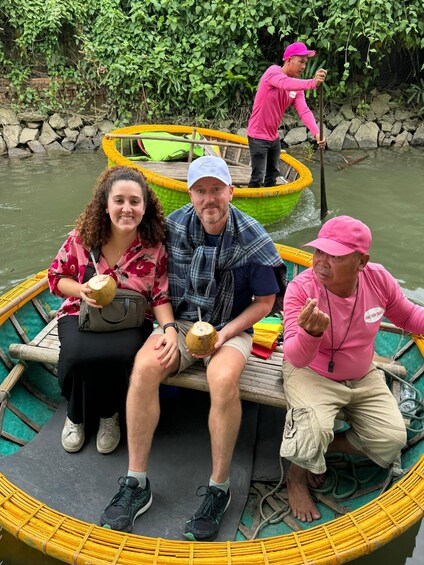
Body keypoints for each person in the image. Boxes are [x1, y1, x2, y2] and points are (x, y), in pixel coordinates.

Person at [100, 155, 287, 540]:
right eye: (200, 191)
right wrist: (167, 328)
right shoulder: (173, 227)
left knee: (222, 379)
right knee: (145, 367)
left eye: (216, 189)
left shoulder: (252, 237)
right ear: (190, 194)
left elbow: (266, 303)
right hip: (182, 320)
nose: (209, 199)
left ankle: (219, 487)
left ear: (230, 191)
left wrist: (224, 333)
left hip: (232, 326)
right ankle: (136, 482)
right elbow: (158, 287)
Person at [281, 215, 424, 523]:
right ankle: (296, 475)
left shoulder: (378, 279)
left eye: (335, 256)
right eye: (319, 251)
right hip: (311, 373)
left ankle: (322, 449)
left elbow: (409, 317)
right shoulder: (301, 289)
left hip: (363, 373)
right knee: (310, 430)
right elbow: (295, 357)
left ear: (362, 261)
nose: (321, 261)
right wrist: (311, 334)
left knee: (390, 442)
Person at [48, 166, 177, 455]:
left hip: (132, 319)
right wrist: (81, 290)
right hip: (80, 312)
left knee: (119, 355)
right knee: (76, 356)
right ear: (105, 205)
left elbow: (159, 296)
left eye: (134, 201)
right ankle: (76, 415)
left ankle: (110, 414)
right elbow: (56, 279)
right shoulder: (82, 238)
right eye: (119, 200)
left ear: (145, 206)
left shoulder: (154, 247)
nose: (127, 209)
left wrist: (169, 329)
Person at [247, 41, 327, 188]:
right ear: (289, 60)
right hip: (257, 136)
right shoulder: (273, 73)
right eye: (301, 61)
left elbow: (304, 111)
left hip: (273, 137)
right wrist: (313, 83)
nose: (304, 66)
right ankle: (248, 208)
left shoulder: (297, 88)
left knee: (272, 177)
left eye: (306, 62)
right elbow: (285, 84)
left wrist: (316, 133)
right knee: (257, 178)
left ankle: (269, 206)